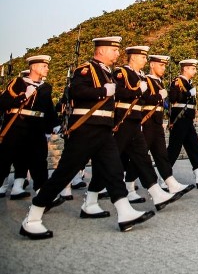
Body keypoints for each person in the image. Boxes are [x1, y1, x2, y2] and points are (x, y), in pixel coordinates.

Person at [21, 37, 154, 239]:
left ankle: (122, 211)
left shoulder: (107, 72)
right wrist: (102, 91)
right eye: (113, 50)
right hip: (86, 129)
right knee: (64, 173)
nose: (117, 54)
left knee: (114, 169)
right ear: (100, 51)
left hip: (103, 129)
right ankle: (32, 218)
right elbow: (75, 91)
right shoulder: (86, 69)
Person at [112, 46, 179, 209]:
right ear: (133, 57)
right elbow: (119, 92)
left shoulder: (140, 76)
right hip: (124, 120)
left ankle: (156, 193)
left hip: (135, 120)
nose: (144, 59)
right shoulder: (121, 73)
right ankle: (92, 196)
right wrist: (143, 94)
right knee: (111, 159)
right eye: (142, 57)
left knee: (143, 157)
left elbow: (144, 99)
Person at [0, 55, 59, 201]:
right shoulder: (18, 83)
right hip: (17, 125)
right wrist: (22, 97)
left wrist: (54, 124)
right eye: (43, 66)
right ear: (33, 67)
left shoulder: (46, 87)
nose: (47, 69)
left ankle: (41, 192)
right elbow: (3, 102)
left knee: (39, 159)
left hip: (36, 127)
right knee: (5, 157)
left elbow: (48, 108)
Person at [136, 54, 193, 196]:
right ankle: (129, 185)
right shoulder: (145, 80)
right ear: (152, 65)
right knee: (140, 155)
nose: (163, 68)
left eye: (164, 65)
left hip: (157, 122)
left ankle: (170, 182)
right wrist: (159, 97)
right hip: (146, 122)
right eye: (161, 65)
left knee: (161, 155)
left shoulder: (159, 82)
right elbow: (141, 100)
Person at [167, 59, 198, 187]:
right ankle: (164, 177)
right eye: (192, 68)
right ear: (185, 69)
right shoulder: (177, 81)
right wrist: (188, 94)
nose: (195, 71)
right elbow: (173, 98)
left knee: (194, 146)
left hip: (187, 120)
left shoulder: (188, 82)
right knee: (174, 149)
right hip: (179, 119)